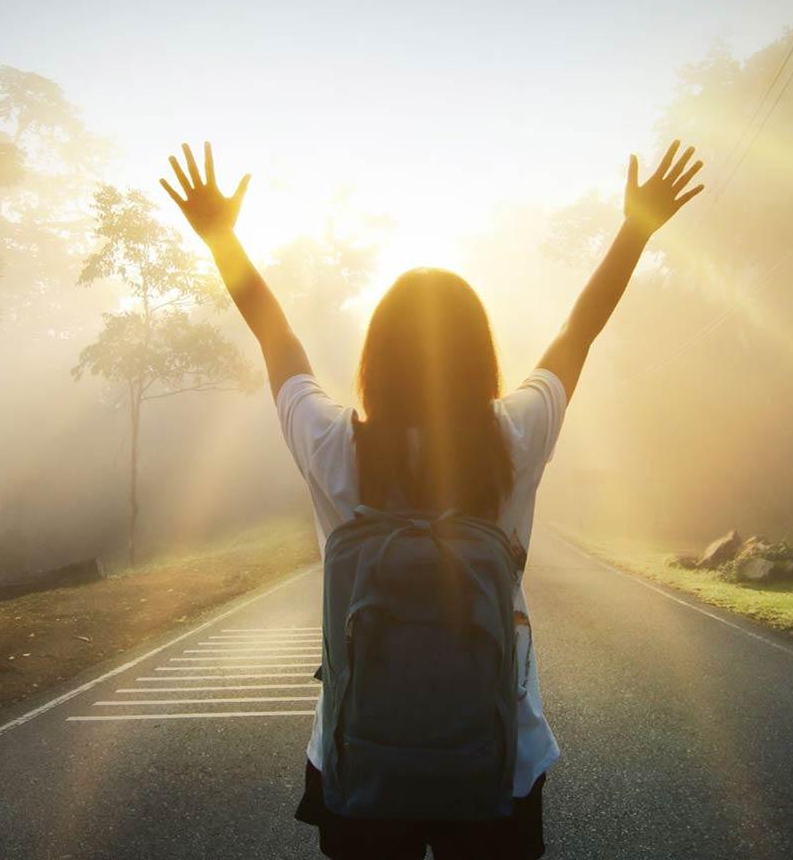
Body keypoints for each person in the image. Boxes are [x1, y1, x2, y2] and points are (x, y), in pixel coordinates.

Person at [161, 139, 704, 859]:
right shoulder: (514, 436)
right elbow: (580, 331)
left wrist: (221, 239)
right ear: (479, 354)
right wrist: (637, 228)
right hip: (499, 755)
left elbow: (276, 334)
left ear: (376, 359)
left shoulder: (333, 444)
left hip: (357, 753)